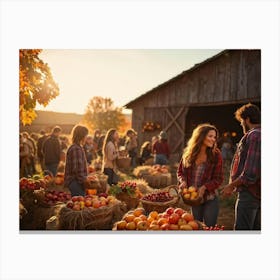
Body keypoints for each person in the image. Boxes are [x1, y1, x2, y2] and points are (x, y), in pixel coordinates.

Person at [221, 103, 261, 230]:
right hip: (259, 193)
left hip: (250, 194)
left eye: (241, 121)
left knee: (242, 231)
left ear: (247, 119)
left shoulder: (254, 135)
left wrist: (231, 185)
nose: (241, 124)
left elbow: (250, 174)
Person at [177, 123, 223, 227]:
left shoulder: (216, 155)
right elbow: (180, 172)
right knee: (196, 226)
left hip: (209, 198)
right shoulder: (189, 153)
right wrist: (182, 181)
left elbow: (219, 178)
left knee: (209, 227)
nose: (213, 139)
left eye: (214, 137)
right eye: (210, 136)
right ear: (201, 136)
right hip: (194, 199)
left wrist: (204, 187)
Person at [64, 125, 91, 196]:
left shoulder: (77, 147)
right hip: (76, 183)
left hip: (77, 182)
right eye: (86, 135)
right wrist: (86, 181)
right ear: (81, 136)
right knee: (79, 203)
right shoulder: (76, 149)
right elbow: (77, 170)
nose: (86, 138)